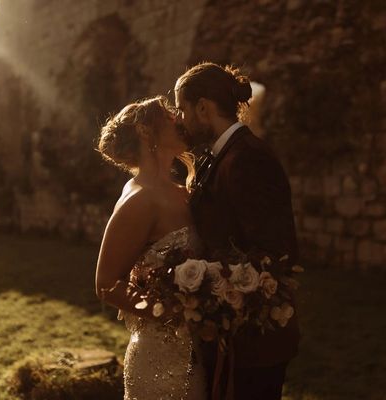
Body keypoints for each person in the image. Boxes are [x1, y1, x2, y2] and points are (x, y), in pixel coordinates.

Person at [175, 62, 300, 400]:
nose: (179, 120)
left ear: (202, 108)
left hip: (254, 342)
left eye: (181, 110)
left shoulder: (248, 158)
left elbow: (273, 251)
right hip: (227, 336)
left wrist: (205, 283)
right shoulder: (217, 156)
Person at [95, 96, 208, 400]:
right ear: (147, 131)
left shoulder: (183, 191)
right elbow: (106, 284)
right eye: (170, 114)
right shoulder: (140, 199)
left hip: (199, 351)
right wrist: (166, 310)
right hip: (160, 360)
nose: (179, 118)